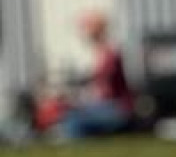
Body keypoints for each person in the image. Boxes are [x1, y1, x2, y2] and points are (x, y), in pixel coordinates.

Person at [50, 12, 137, 141]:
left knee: (73, 119)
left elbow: (105, 86)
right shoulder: (101, 53)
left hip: (117, 108)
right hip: (110, 105)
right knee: (66, 112)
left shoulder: (109, 53)